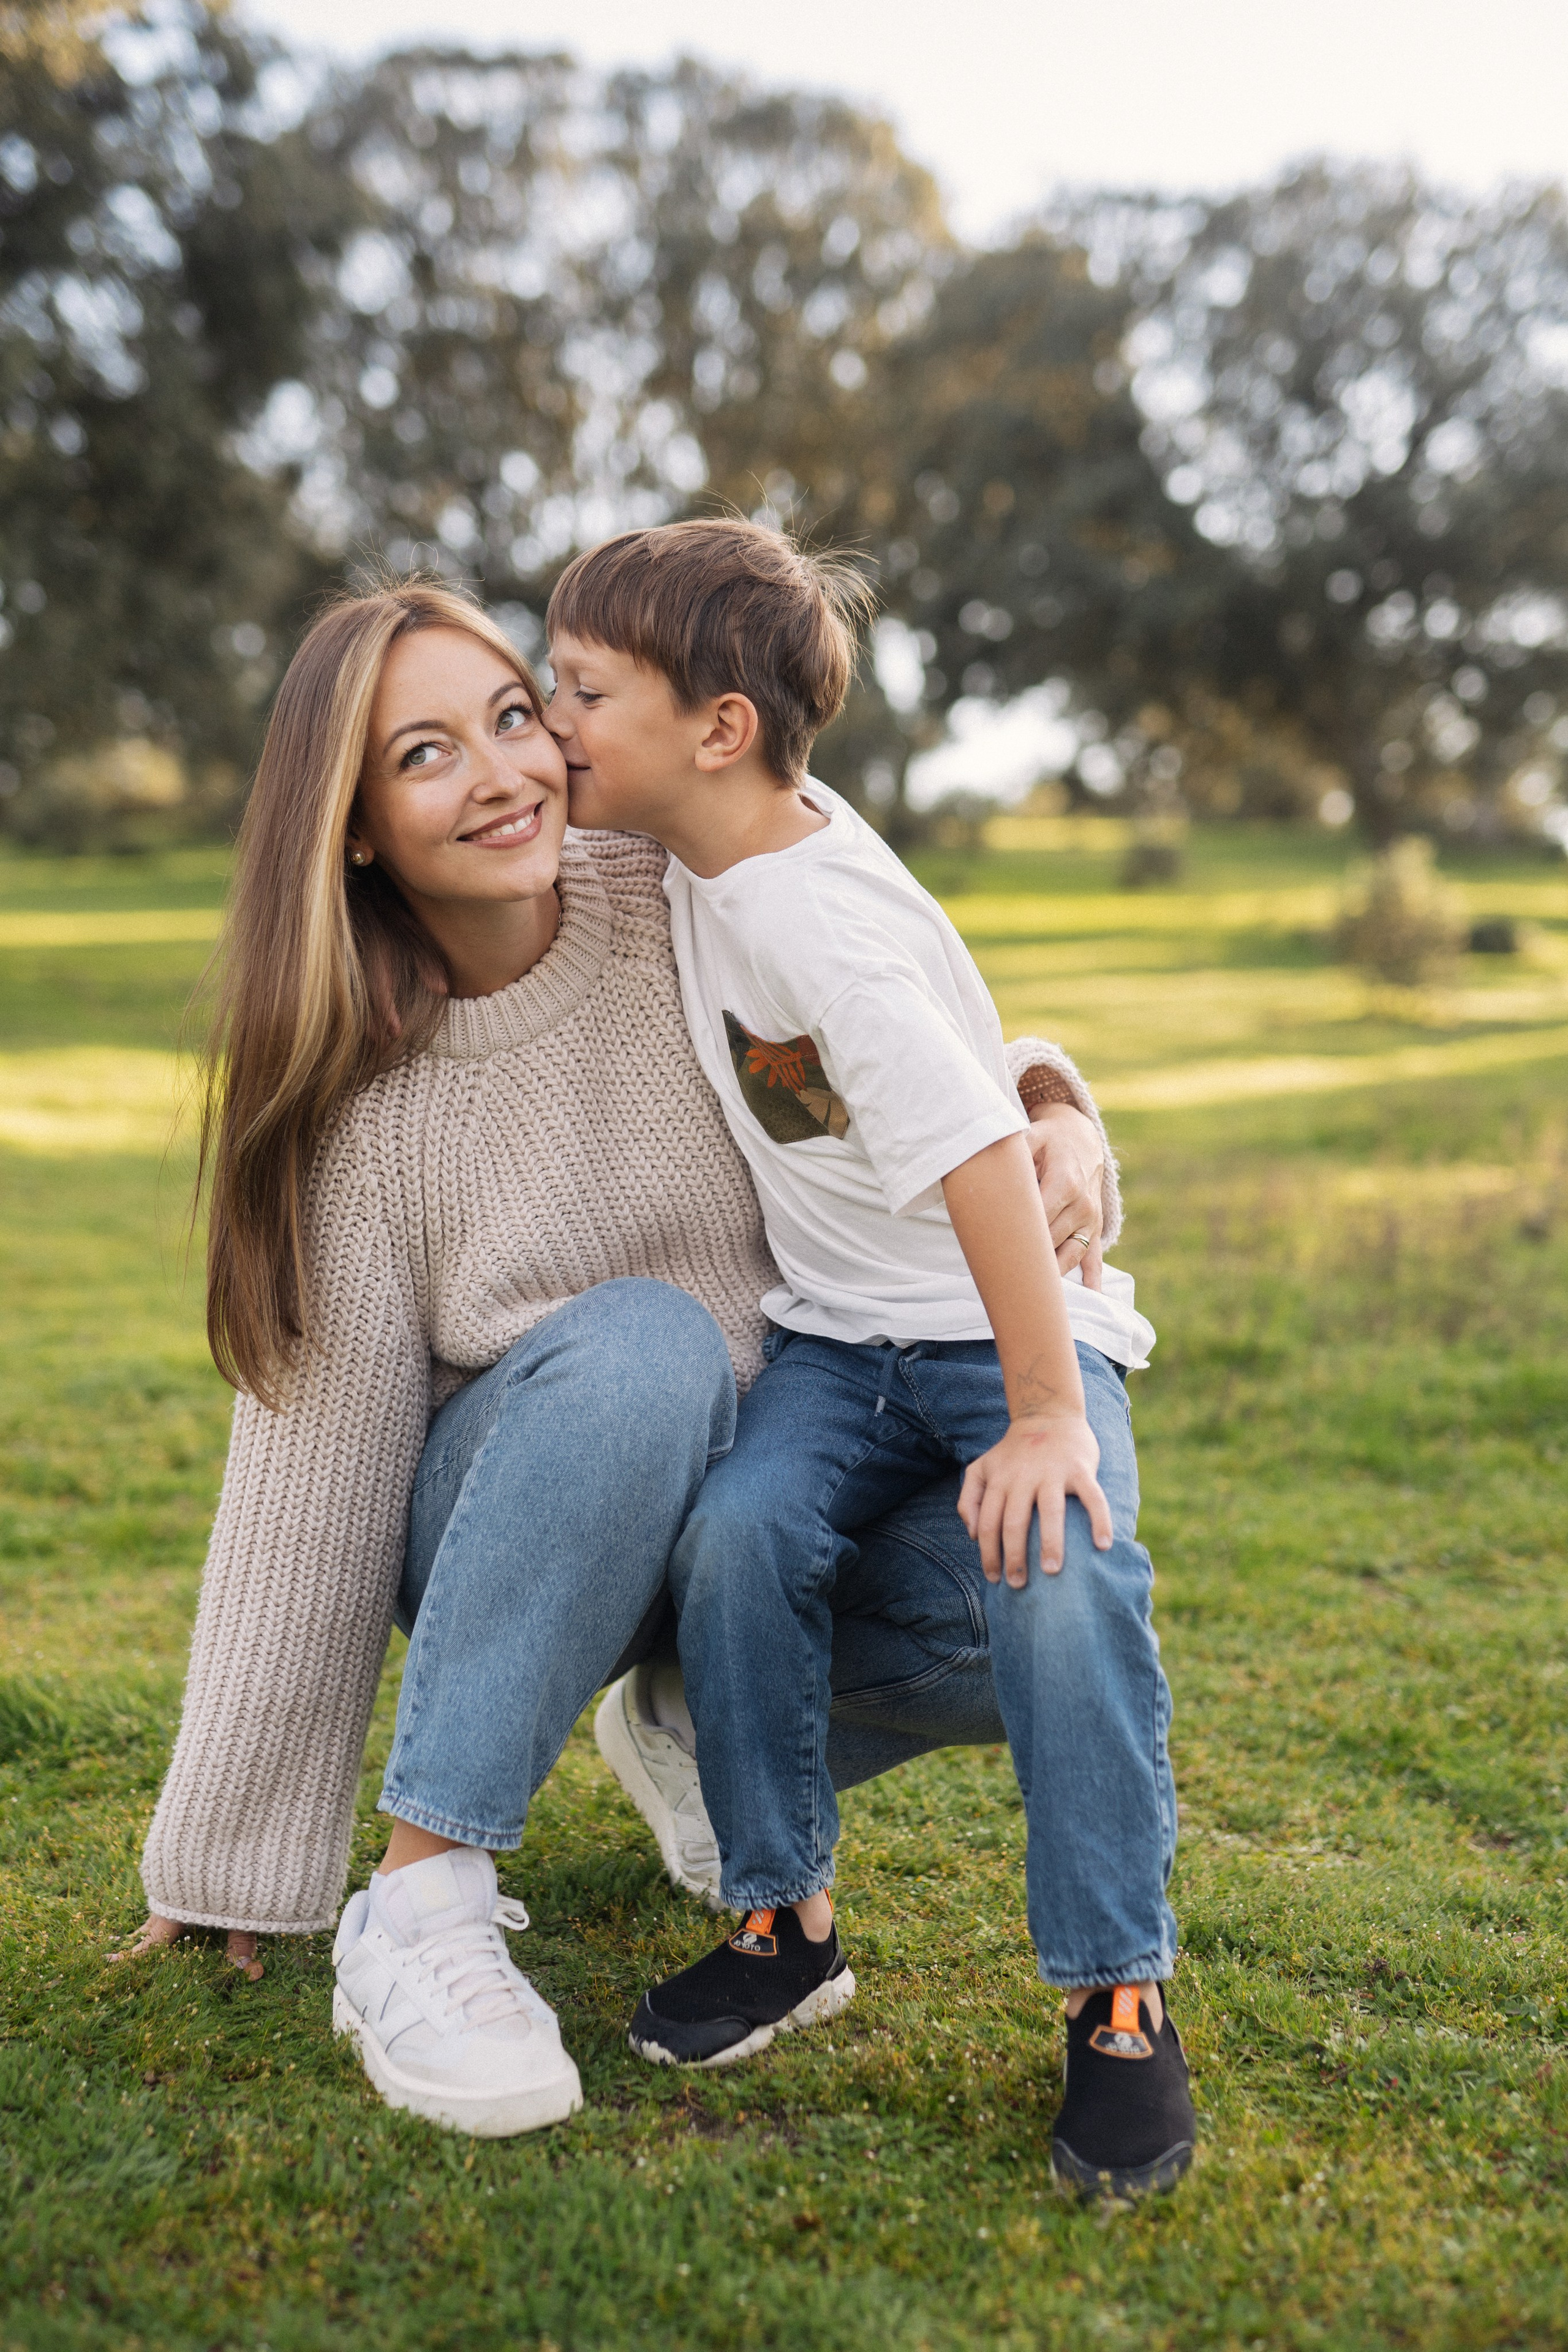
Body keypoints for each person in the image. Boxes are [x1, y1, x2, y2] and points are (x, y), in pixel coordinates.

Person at [115, 575, 1118, 2143]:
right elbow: (308, 1490)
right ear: (356, 824)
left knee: (1039, 1594)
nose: (508, 769)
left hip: (756, 1490)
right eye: (426, 753)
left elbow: (887, 998)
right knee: (647, 1341)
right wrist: (232, 1846)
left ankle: (684, 1727)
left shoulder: (672, 873)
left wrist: (1051, 1097)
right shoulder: (366, 1126)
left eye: (516, 714)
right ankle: (425, 1897)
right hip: (511, 1522)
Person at [545, 520, 1194, 2198]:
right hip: (841, 1342)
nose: (552, 724)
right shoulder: (706, 848)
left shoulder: (806, 915)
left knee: (1062, 1570)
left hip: (994, 1339)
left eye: (581, 689)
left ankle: (1117, 1998)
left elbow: (980, 1152)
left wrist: (1048, 1413)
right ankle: (784, 1920)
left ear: (719, 730)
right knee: (744, 1539)